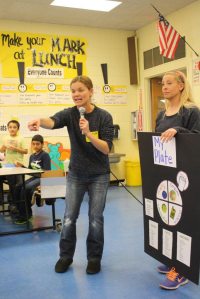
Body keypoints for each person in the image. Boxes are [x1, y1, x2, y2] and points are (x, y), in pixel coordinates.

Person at [28, 75, 114, 274]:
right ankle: (65, 257)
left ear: (91, 91)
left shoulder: (104, 117)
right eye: (73, 91)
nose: (76, 94)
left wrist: (89, 133)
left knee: (95, 218)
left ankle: (93, 259)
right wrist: (39, 121)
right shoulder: (70, 114)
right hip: (76, 174)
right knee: (69, 217)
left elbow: (107, 148)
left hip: (99, 175)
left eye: (81, 90)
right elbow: (53, 121)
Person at [155, 70, 200, 290]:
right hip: (165, 175)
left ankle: (181, 271)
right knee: (168, 218)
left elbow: (197, 136)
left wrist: (177, 129)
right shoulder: (161, 114)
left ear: (181, 86)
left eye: (169, 83)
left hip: (187, 175)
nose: (164, 87)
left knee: (185, 222)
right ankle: (173, 259)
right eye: (163, 83)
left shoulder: (191, 110)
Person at [14, 134, 51, 224]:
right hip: (35, 177)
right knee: (18, 186)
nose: (35, 146)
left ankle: (24, 216)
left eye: (37, 144)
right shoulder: (32, 156)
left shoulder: (45, 155)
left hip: (42, 178)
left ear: (42, 145)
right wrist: (22, 166)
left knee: (26, 188)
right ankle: (22, 211)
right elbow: (30, 169)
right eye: (33, 144)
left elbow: (46, 172)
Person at [0, 120, 28, 215]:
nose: (12, 129)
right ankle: (12, 205)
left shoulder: (21, 138)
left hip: (19, 166)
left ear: (18, 129)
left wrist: (15, 148)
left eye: (14, 127)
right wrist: (4, 146)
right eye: (10, 127)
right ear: (8, 128)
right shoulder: (5, 138)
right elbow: (1, 150)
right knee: (12, 185)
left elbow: (26, 151)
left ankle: (18, 203)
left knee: (19, 184)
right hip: (8, 165)